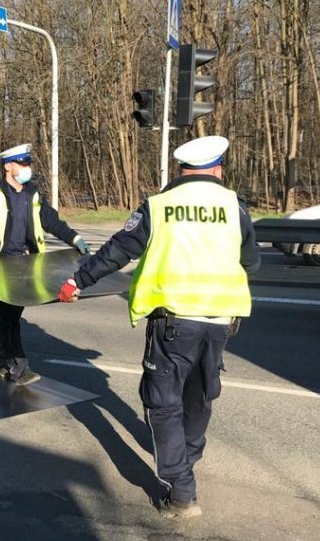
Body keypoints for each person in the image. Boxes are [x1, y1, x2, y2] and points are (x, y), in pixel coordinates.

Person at [56, 136, 260, 518]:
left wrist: (77, 282)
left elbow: (117, 251)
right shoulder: (236, 207)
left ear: (180, 170)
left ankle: (181, 491)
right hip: (219, 321)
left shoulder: (159, 206)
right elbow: (251, 263)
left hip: (174, 322)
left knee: (163, 403)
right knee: (201, 394)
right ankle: (187, 457)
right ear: (217, 169)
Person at [0, 143, 90, 385]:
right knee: (10, 314)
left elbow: (52, 222)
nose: (28, 168)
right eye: (23, 164)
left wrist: (75, 238)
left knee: (9, 316)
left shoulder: (32, 195)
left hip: (26, 264)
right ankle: (18, 368)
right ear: (8, 166)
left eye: (29, 163)